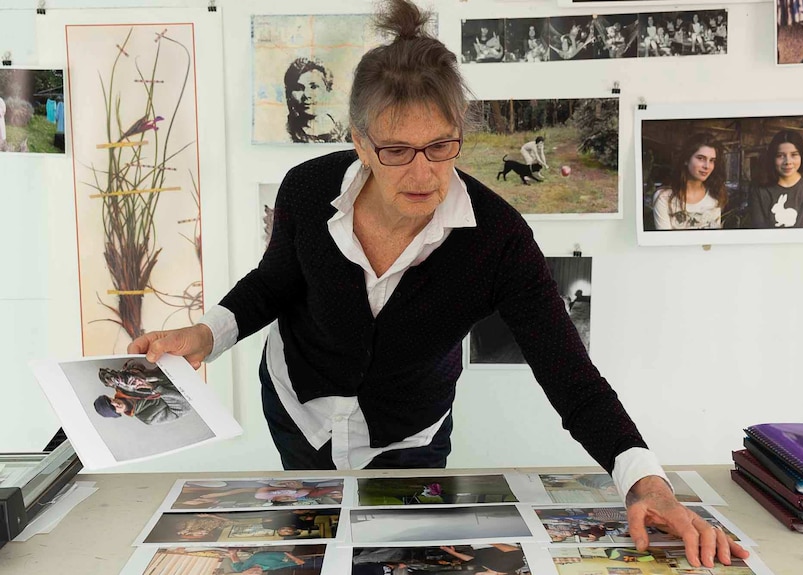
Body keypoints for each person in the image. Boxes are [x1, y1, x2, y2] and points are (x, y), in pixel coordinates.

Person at [130, 0, 746, 568]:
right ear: (359, 142)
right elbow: (274, 283)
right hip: (298, 409)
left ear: (460, 134)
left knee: (401, 561)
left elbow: (570, 375)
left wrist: (648, 483)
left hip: (412, 433)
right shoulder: (306, 189)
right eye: (396, 150)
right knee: (312, 554)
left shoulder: (499, 239)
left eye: (441, 146)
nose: (423, 173)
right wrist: (205, 334)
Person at [653, 133, 727, 230]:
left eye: (712, 160)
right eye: (701, 158)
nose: (707, 166)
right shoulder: (664, 197)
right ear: (686, 159)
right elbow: (665, 242)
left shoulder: (715, 195)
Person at [748, 130, 803, 228]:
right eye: (780, 156)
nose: (788, 162)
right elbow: (758, 226)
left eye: (794, 155)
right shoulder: (758, 188)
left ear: (802, 156)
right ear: (772, 158)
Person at [283, 57, 346, 143]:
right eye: (298, 88)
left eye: (313, 87)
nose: (307, 95)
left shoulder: (344, 132)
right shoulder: (286, 134)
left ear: (328, 90)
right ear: (289, 93)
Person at [92, 380, 191, 425]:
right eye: (113, 408)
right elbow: (184, 409)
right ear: (117, 414)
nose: (114, 404)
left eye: (110, 401)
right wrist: (156, 389)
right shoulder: (148, 417)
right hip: (191, 389)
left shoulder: (123, 384)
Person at [440, 544, 525, 575]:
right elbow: (515, 551)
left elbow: (473, 559)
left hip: (479, 543)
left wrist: (450, 552)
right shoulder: (504, 567)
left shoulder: (490, 568)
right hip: (493, 538)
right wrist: (487, 540)